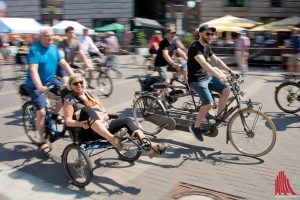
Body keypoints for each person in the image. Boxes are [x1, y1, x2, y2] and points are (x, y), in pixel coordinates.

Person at [63, 73, 168, 158]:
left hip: (104, 126)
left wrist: (104, 113)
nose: (79, 85)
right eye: (75, 83)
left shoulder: (90, 93)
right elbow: (67, 121)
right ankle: (113, 139)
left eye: (81, 82)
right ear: (70, 86)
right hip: (87, 131)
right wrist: (80, 124)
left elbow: (101, 107)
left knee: (127, 120)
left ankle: (151, 147)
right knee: (86, 110)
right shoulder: (69, 99)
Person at [25, 27, 74, 154]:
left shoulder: (54, 48)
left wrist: (74, 78)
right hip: (35, 85)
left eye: (51, 35)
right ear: (40, 37)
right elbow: (33, 70)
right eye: (47, 36)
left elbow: (64, 64)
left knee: (67, 93)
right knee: (41, 112)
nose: (50, 38)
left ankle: (55, 114)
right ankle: (42, 141)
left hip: (51, 80)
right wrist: (39, 86)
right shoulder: (34, 49)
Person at [187, 24, 238, 141]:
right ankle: (196, 127)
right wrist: (218, 74)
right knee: (209, 104)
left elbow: (217, 60)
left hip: (206, 77)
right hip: (196, 80)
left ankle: (218, 117)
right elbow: (204, 64)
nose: (210, 36)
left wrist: (230, 70)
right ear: (200, 34)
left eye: (212, 34)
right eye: (207, 33)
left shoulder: (207, 46)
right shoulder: (195, 47)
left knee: (226, 89)